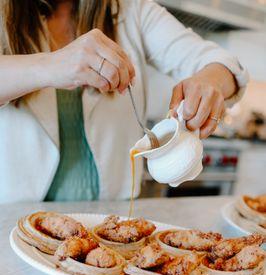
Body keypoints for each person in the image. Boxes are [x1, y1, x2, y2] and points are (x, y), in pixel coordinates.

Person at [0, 0, 248, 203]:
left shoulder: (133, 10)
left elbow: (222, 63)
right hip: (13, 217)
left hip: (108, 221)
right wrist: (49, 66)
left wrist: (212, 80)